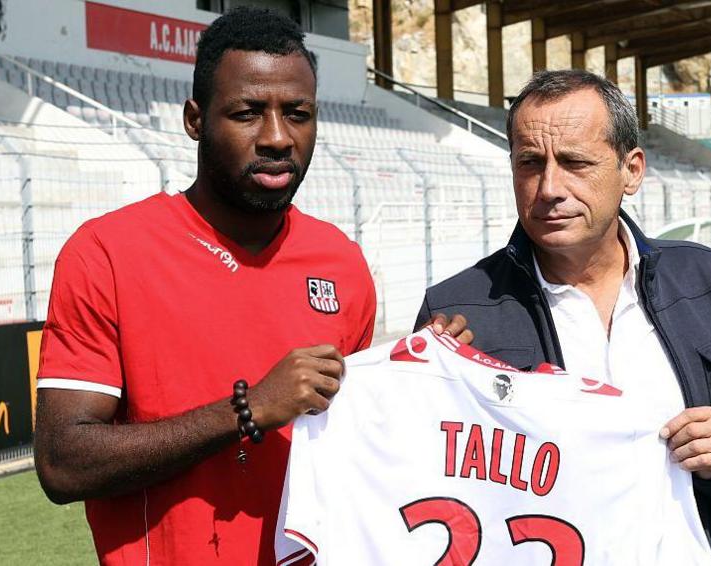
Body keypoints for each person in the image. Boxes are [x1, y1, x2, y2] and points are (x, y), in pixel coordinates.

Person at [33, 7, 465, 565]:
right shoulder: (106, 253)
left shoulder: (342, 262)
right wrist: (248, 410)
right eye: (247, 113)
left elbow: (357, 447)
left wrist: (425, 379)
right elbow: (63, 462)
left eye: (298, 114)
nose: (278, 137)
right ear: (195, 119)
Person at [415, 70, 711, 566]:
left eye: (575, 162)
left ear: (632, 170)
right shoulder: (457, 313)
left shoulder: (709, 282)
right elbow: (422, 490)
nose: (550, 187)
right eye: (530, 163)